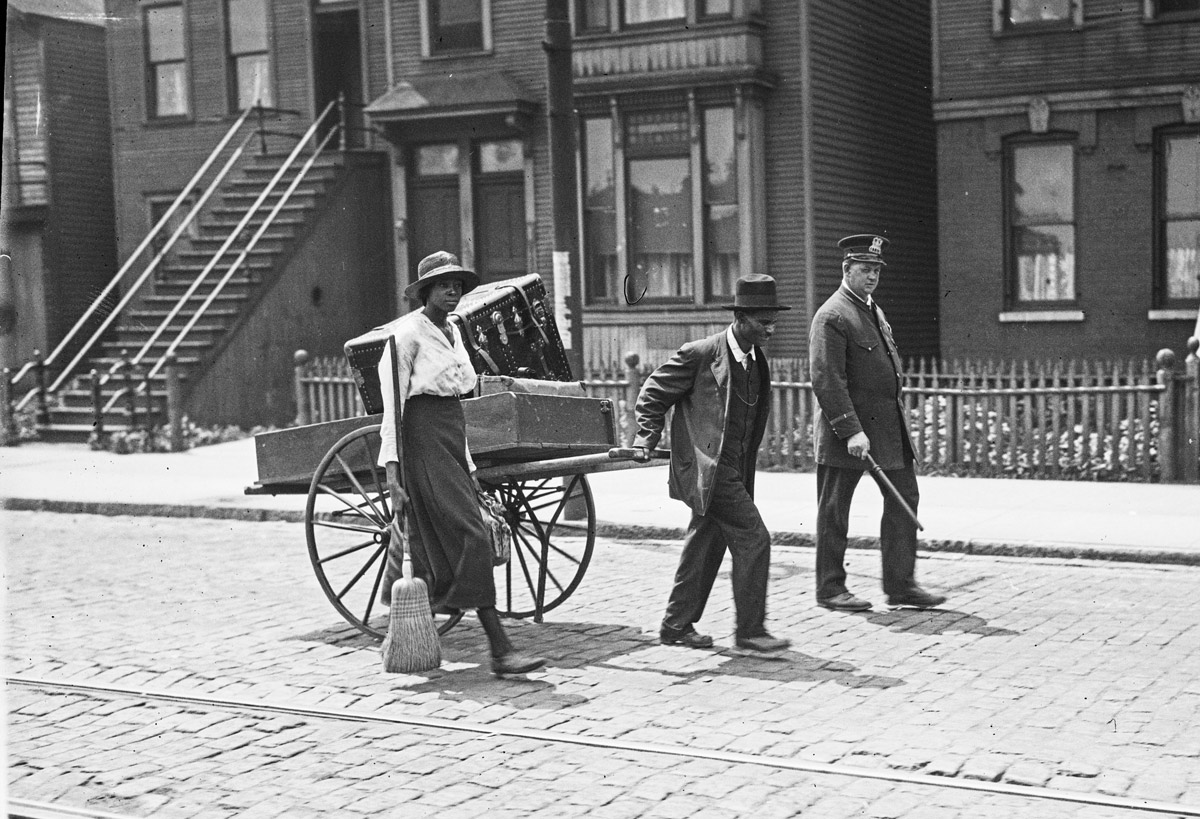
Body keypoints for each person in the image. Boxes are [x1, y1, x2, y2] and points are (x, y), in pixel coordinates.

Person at [377, 250, 545, 677]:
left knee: (455, 534)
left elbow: (457, 404)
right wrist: (393, 476)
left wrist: (468, 463)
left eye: (457, 285)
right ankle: (500, 649)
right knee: (472, 533)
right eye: (443, 285)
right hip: (422, 438)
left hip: (450, 437)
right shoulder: (406, 337)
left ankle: (431, 608)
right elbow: (392, 413)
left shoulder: (452, 332)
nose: (452, 291)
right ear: (426, 291)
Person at [633, 274, 792, 656]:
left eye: (773, 320)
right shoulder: (701, 353)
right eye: (762, 322)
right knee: (754, 538)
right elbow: (652, 393)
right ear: (740, 317)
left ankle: (676, 625)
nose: (770, 328)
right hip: (710, 468)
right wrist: (645, 438)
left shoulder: (756, 359)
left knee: (705, 542)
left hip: (736, 467)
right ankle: (750, 631)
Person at [809, 234, 947, 612]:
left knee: (904, 499)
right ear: (846, 270)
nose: (871, 277)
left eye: (875, 271)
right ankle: (831, 589)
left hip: (886, 429)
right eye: (864, 269)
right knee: (835, 510)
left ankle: (901, 586)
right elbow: (826, 379)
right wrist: (851, 429)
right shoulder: (833, 315)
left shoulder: (872, 310)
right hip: (847, 433)